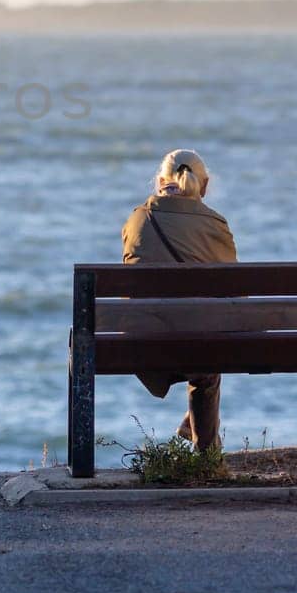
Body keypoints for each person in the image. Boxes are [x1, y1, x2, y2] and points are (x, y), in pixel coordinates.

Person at [120, 149, 237, 451]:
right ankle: (206, 454)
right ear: (204, 185)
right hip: (198, 345)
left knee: (197, 335)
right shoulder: (216, 224)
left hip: (144, 342)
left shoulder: (137, 220)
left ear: (160, 182)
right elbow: (233, 292)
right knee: (206, 347)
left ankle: (196, 432)